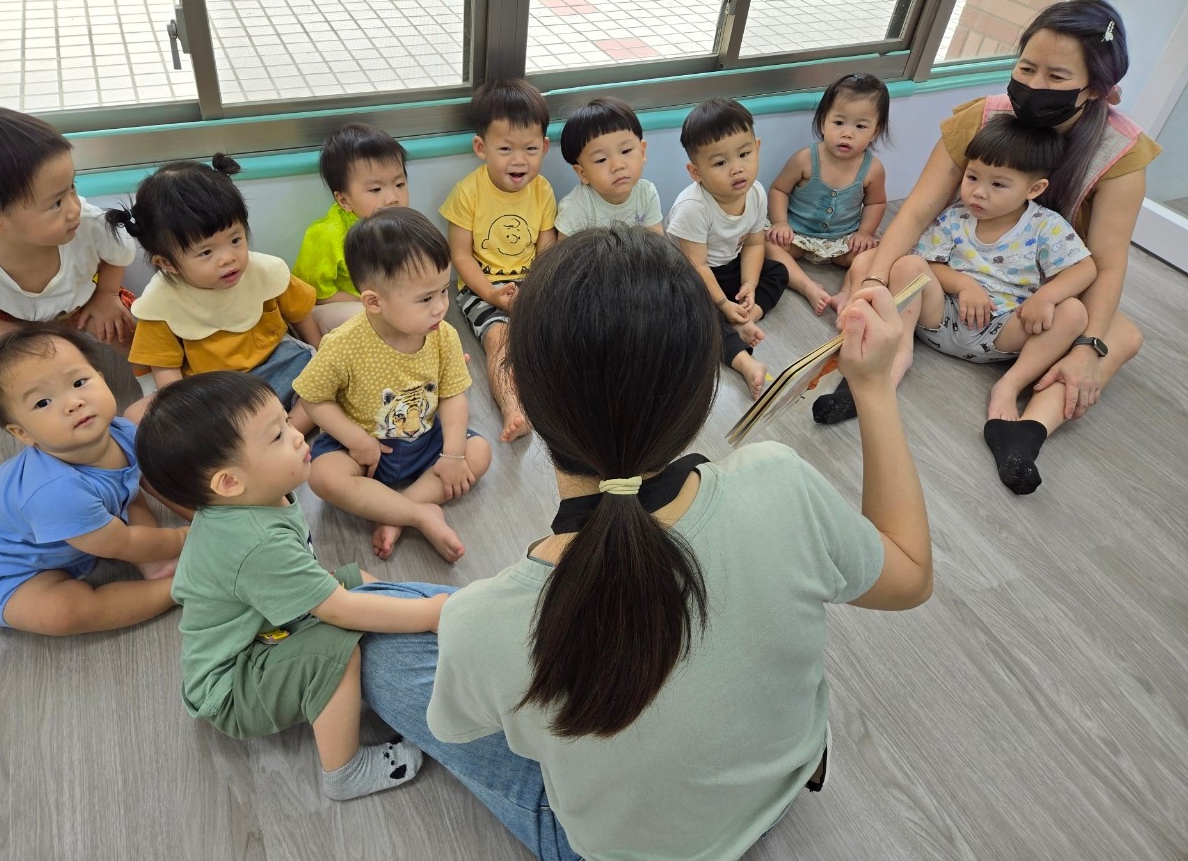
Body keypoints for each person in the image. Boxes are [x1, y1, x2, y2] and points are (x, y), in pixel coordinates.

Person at [354, 226, 932, 861]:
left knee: (374, 644)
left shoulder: (489, 623)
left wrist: (455, 616)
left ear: (520, 392)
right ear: (703, 389)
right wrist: (873, 387)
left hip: (627, 848)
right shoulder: (780, 482)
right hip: (782, 786)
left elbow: (462, 724)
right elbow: (908, 575)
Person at [815, 0, 1161, 495]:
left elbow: (1104, 264)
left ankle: (1026, 428)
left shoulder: (1118, 152)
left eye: (1057, 76)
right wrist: (872, 280)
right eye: (1027, 67)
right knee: (876, 261)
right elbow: (916, 212)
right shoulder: (983, 118)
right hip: (957, 273)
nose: (1035, 84)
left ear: (1097, 88)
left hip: (1040, 290)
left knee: (1118, 336)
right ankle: (882, 369)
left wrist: (1088, 348)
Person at [134, 371, 448, 802]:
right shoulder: (255, 542)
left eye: (286, 420)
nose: (299, 435)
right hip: (232, 686)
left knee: (356, 581)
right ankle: (345, 771)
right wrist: (431, 614)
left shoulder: (262, 496)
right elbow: (336, 610)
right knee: (333, 651)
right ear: (229, 482)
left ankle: (412, 640)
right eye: (278, 436)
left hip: (264, 631)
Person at [0, 323, 185, 634]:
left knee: (129, 493)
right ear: (22, 433)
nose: (74, 402)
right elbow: (121, 543)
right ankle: (176, 588)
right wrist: (182, 537)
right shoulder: (56, 492)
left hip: (78, 536)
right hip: (7, 573)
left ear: (101, 378)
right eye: (43, 402)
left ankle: (155, 562)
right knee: (64, 613)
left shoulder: (123, 432)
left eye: (79, 382)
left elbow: (152, 481)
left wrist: (201, 513)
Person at [295, 208, 491, 563]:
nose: (440, 308)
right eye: (425, 299)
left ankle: (401, 509)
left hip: (425, 438)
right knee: (323, 477)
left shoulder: (443, 335)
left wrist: (452, 455)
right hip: (362, 447)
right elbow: (313, 399)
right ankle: (419, 514)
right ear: (374, 302)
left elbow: (453, 396)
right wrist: (358, 441)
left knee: (479, 453)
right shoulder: (344, 343)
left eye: (443, 291)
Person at [891, 116, 1096, 428]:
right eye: (972, 177)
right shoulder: (955, 217)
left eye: (997, 184)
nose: (978, 193)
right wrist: (963, 285)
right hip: (942, 316)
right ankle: (899, 351)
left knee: (1074, 312)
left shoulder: (1046, 225)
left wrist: (1045, 297)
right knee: (908, 266)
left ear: (1034, 189)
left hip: (1004, 331)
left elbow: (1085, 268)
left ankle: (1010, 385)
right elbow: (928, 263)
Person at [109, 154, 322, 431]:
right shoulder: (161, 305)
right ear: (168, 263)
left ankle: (286, 432)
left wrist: (322, 354)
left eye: (235, 239)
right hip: (217, 389)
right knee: (141, 417)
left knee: (322, 385)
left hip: (281, 364)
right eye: (206, 252)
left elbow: (302, 315)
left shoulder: (264, 271)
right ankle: (264, 437)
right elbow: (166, 370)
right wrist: (186, 414)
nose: (228, 258)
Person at [0, 107, 137, 353]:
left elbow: (118, 251)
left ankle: (150, 374)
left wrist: (106, 294)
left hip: (86, 300)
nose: (75, 208)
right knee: (25, 362)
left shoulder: (88, 222)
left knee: (126, 331)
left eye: (72, 186)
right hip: (20, 322)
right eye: (56, 203)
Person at [441, 78, 557, 442]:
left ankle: (570, 397)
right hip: (483, 288)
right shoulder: (468, 192)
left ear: (544, 147)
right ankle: (513, 407)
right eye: (505, 148)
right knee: (499, 340)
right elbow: (460, 255)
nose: (519, 160)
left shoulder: (543, 190)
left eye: (530, 148)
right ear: (482, 147)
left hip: (532, 284)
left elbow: (546, 248)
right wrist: (491, 294)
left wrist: (536, 291)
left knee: (562, 332)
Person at [667, 97, 789, 398]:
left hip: (730, 266)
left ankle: (747, 317)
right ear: (696, 172)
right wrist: (722, 304)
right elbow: (696, 265)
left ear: (757, 148)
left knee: (778, 272)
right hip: (695, 277)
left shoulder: (756, 193)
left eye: (744, 154)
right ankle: (744, 361)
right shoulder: (693, 207)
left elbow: (755, 243)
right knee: (694, 316)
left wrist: (749, 284)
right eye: (720, 163)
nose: (737, 169)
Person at [767, 73, 890, 313]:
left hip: (843, 241)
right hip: (798, 236)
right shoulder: (805, 158)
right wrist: (781, 222)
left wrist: (865, 233)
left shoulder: (873, 169)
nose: (847, 133)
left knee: (876, 255)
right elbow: (779, 189)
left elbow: (876, 203)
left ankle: (848, 293)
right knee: (765, 245)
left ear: (875, 131)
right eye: (839, 122)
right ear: (823, 122)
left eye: (860, 126)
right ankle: (806, 286)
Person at [293, 122, 410, 336]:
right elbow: (312, 293)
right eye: (376, 189)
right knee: (369, 316)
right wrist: (371, 303)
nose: (393, 198)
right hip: (331, 309)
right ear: (344, 200)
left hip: (377, 303)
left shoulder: (402, 223)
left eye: (399, 185)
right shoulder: (326, 235)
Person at [555, 97, 663, 236]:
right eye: (601, 160)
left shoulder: (646, 193)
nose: (617, 166)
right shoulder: (575, 209)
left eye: (626, 151)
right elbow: (566, 251)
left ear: (642, 152)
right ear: (582, 173)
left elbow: (657, 244)